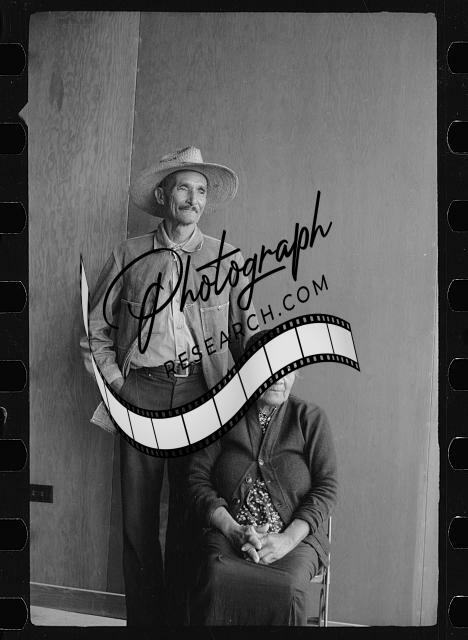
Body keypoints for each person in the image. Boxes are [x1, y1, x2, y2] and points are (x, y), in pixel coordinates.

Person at [80, 146, 257, 628]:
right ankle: (144, 624)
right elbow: (95, 332)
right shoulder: (128, 254)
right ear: (163, 195)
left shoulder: (227, 258)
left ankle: (178, 623)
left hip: (202, 395)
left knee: (190, 512)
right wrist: (118, 384)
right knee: (138, 518)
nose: (193, 199)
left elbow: (247, 336)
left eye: (201, 190)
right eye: (183, 188)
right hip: (141, 391)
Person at [186, 331, 338, 626]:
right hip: (230, 535)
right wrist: (233, 530)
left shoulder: (310, 418)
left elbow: (327, 487)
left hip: (295, 539)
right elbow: (197, 480)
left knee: (287, 588)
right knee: (216, 577)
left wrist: (286, 540)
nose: (280, 378)